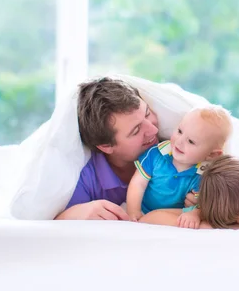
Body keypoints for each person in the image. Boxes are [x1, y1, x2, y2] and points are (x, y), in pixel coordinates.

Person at [55, 77, 160, 220]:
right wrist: (75, 214)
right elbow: (50, 227)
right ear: (106, 146)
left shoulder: (175, 148)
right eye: (136, 130)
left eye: (147, 113)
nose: (153, 130)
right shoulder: (86, 178)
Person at [126, 105, 232, 224]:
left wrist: (194, 213)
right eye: (180, 131)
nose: (179, 141)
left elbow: (203, 205)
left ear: (212, 155)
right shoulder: (156, 153)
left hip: (172, 216)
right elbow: (137, 184)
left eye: (191, 141)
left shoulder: (203, 175)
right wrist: (133, 211)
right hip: (143, 210)